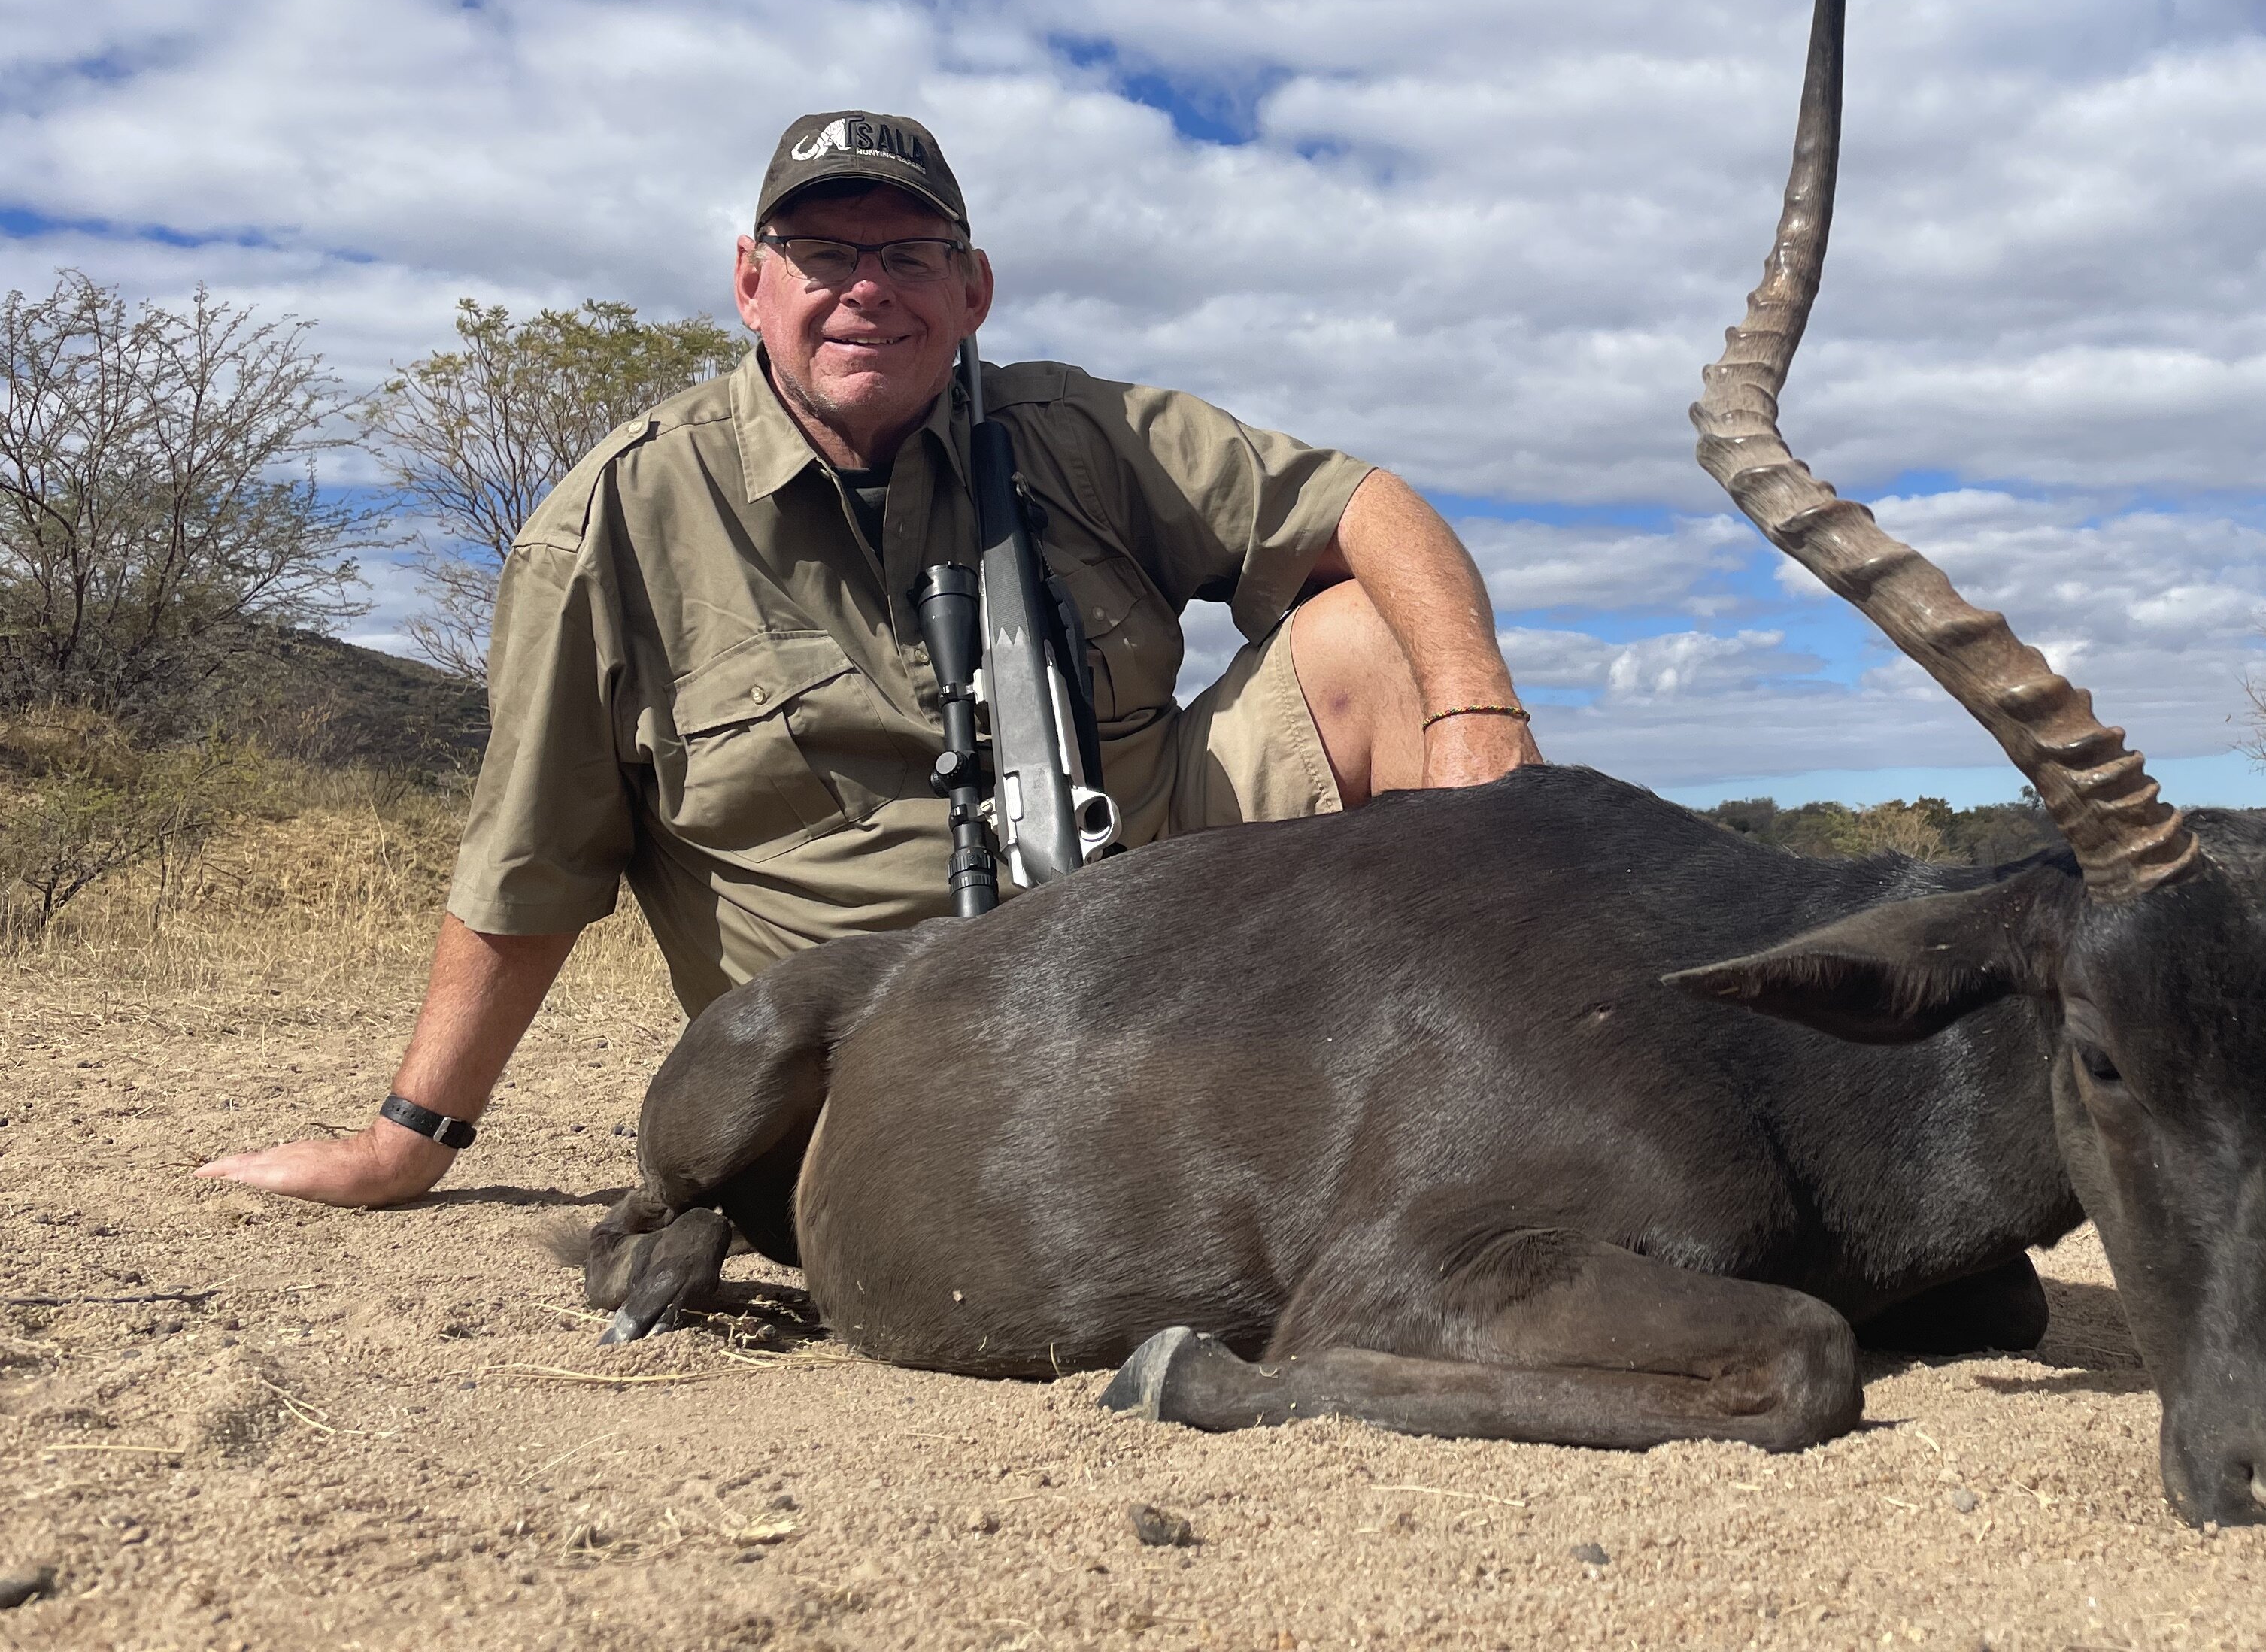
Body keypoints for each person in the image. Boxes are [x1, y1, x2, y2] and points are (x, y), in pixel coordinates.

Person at [201, 110, 1539, 1207]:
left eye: (910, 256)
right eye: (821, 251)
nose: (865, 290)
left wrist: (1479, 721)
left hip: (1165, 955)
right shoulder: (611, 522)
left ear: (974, 290)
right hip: (871, 1060)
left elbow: (1369, 504)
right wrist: (409, 1136)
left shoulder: (1085, 432)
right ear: (749, 282)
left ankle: (1513, 1102)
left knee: (1373, 628)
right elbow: (529, 859)